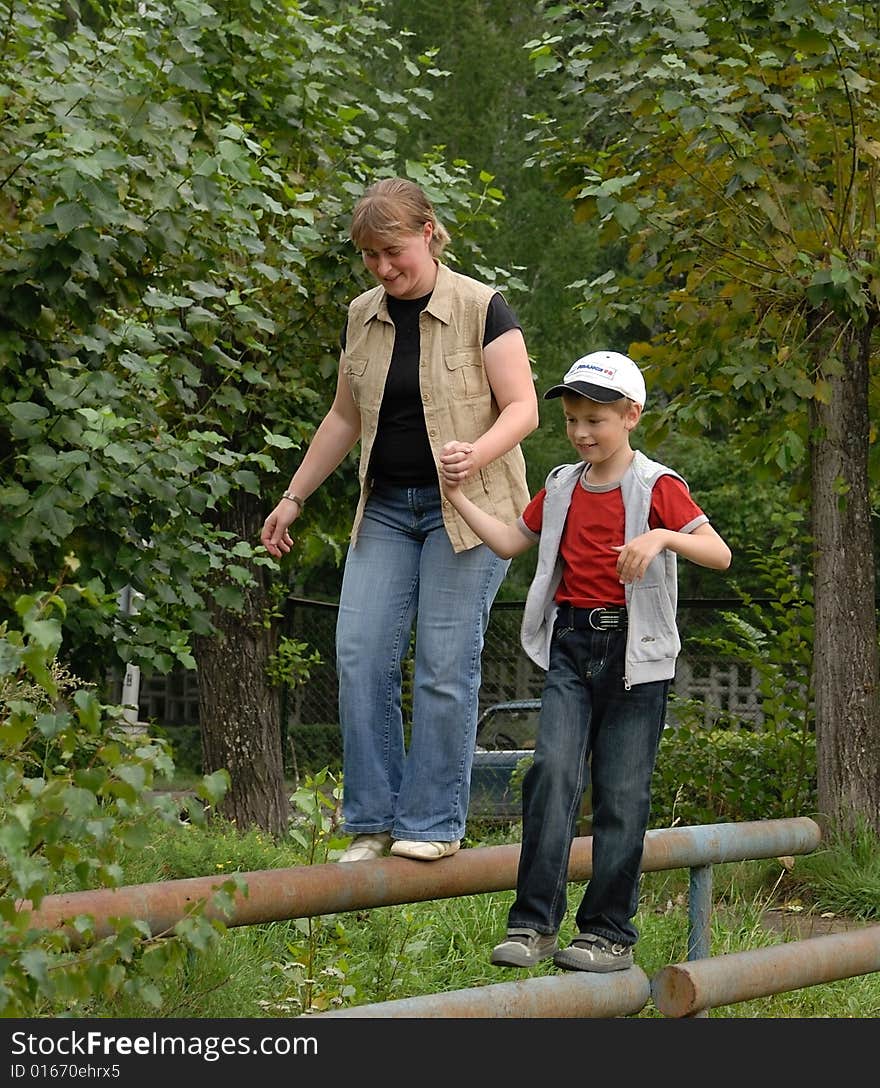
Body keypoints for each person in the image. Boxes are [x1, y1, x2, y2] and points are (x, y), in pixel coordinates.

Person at [261, 177, 538, 863]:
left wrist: (476, 453)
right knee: (359, 656)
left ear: (428, 232)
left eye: (393, 251)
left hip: (470, 514)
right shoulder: (363, 316)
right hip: (385, 508)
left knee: (444, 665)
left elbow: (523, 408)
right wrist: (293, 496)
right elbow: (344, 417)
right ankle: (372, 821)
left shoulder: (483, 307)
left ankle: (433, 824)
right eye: (370, 257)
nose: (384, 268)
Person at [440, 350, 731, 969]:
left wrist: (659, 537)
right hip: (571, 647)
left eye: (594, 419)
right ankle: (532, 926)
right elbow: (510, 541)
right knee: (550, 774)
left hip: (635, 654)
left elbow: (718, 552)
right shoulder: (563, 486)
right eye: (572, 420)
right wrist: (458, 497)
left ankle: (607, 935)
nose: (580, 433)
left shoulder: (658, 486)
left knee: (621, 795)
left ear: (631, 416)